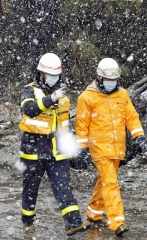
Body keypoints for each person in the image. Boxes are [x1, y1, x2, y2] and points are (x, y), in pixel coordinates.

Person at [75, 58, 147, 237]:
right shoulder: (86, 98)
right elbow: (81, 125)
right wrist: (82, 149)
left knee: (105, 181)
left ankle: (93, 213)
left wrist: (139, 136)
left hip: (117, 148)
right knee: (111, 184)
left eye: (114, 81)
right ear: (99, 78)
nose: (111, 84)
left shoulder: (122, 95)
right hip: (99, 148)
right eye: (108, 80)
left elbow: (131, 117)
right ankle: (117, 221)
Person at [19, 53, 91, 236]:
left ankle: (74, 223)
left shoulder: (64, 97)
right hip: (33, 149)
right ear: (41, 74)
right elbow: (29, 109)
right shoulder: (29, 90)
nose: (54, 78)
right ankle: (28, 222)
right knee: (30, 190)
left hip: (57, 151)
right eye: (50, 75)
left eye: (56, 75)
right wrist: (50, 99)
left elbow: (65, 126)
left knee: (63, 187)